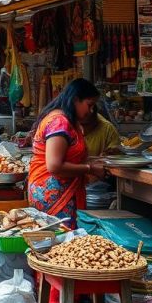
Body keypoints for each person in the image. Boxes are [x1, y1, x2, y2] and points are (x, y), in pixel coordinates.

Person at [27, 79, 107, 228]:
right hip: (53, 193)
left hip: (50, 190)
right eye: (89, 105)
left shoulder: (65, 120)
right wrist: (90, 168)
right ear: (76, 100)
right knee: (61, 241)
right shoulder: (59, 122)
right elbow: (54, 166)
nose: (91, 111)